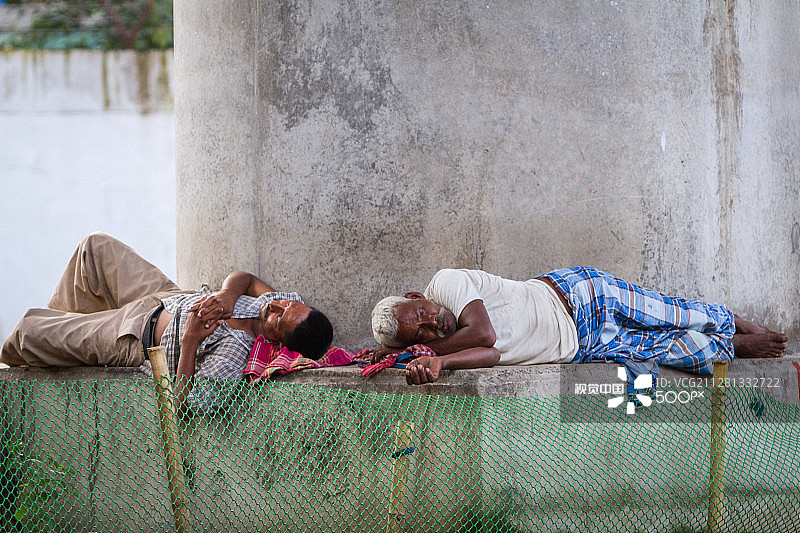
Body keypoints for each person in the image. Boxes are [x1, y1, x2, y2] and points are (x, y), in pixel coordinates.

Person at [1, 232, 333, 411]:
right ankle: (66, 336)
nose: (274, 304)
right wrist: (229, 295)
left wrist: (190, 340)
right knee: (95, 249)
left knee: (28, 332)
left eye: (278, 317)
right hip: (164, 296)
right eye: (283, 303)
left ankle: (63, 338)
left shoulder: (234, 355)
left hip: (135, 335)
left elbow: (183, 402)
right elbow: (245, 278)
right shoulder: (286, 307)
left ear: (276, 342)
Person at [371, 267, 787, 385]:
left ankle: (737, 323)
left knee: (674, 313)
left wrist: (423, 353)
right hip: (581, 347)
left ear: (415, 296)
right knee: (678, 353)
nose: (430, 324)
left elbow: (485, 335)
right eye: (420, 334)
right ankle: (734, 346)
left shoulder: (446, 283)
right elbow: (492, 355)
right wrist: (416, 355)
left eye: (420, 313)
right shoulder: (440, 346)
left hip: (578, 296)